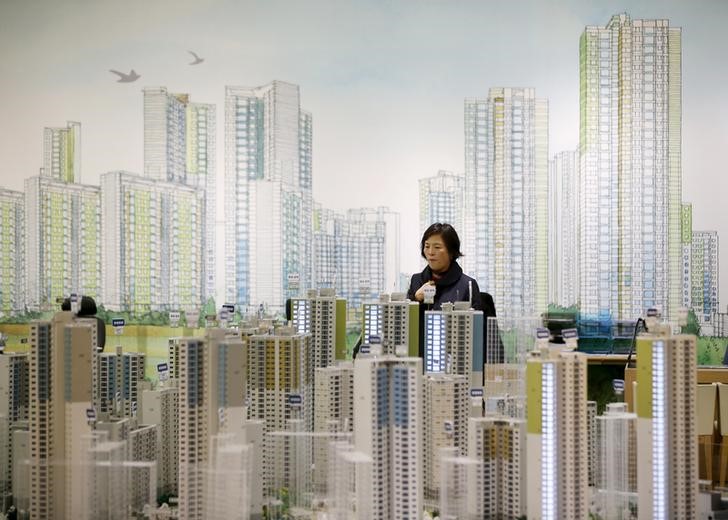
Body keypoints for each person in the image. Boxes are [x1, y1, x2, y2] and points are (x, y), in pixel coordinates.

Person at [407, 223, 498, 361]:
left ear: (451, 252)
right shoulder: (416, 281)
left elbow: (478, 335)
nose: (431, 252)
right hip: (420, 361)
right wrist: (416, 299)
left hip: (456, 362)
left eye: (437, 247)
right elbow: (406, 325)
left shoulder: (467, 285)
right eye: (427, 246)